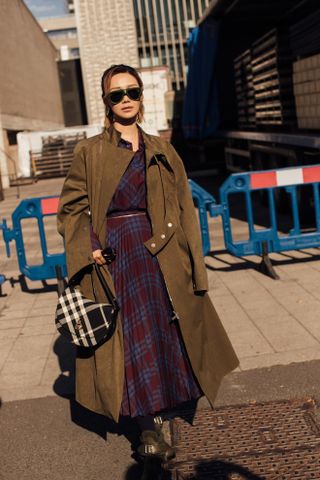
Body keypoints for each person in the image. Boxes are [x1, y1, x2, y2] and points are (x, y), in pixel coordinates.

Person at [57, 64, 239, 473]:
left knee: (163, 334)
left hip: (161, 253)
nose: (125, 99)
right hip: (116, 256)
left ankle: (162, 406)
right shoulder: (90, 150)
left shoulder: (160, 147)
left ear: (141, 97)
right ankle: (148, 429)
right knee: (130, 341)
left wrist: (194, 265)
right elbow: (71, 209)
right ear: (105, 102)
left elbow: (183, 210)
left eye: (132, 92)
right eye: (115, 94)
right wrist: (90, 247)